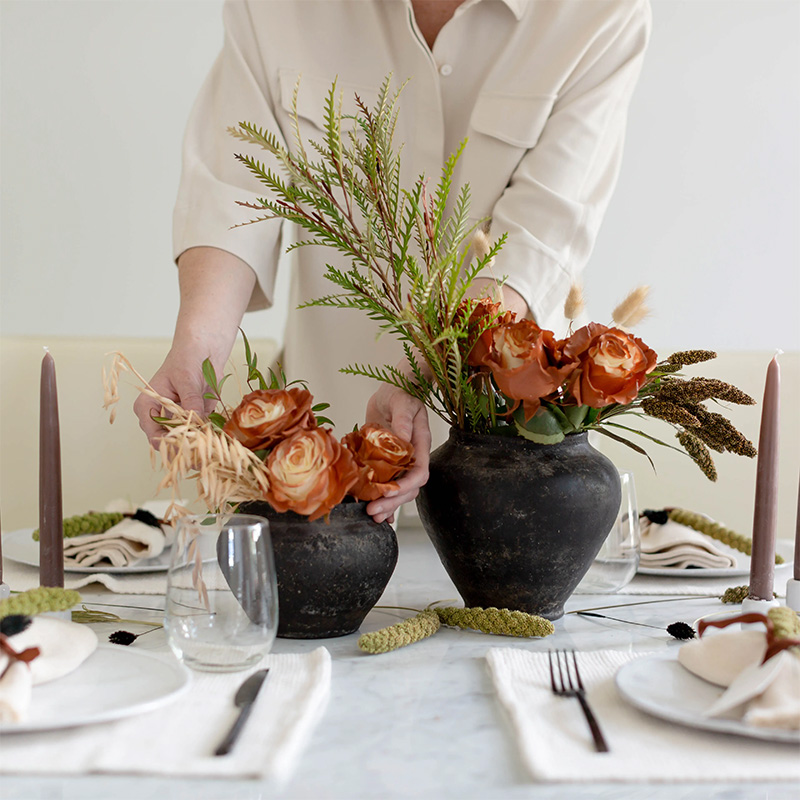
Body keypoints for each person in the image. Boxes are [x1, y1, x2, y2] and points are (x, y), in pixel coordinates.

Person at [135, 0, 652, 524]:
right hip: (323, 483)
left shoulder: (599, 11)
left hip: (511, 482)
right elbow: (233, 188)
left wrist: (422, 367)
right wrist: (198, 345)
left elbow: (536, 240)